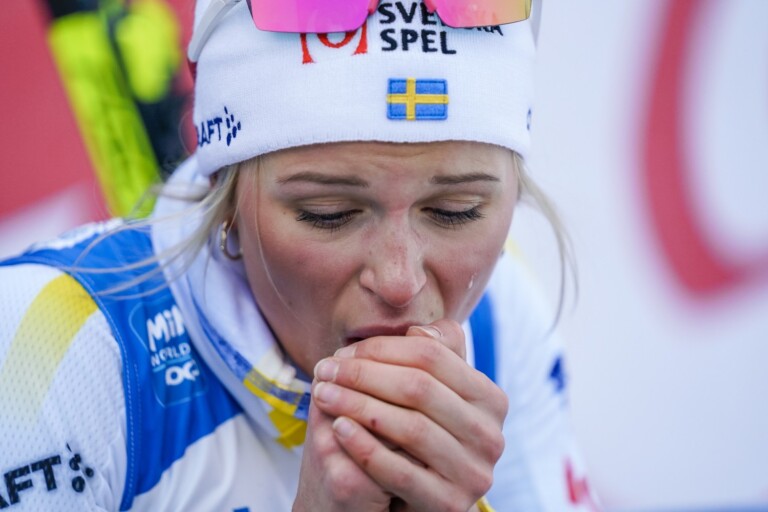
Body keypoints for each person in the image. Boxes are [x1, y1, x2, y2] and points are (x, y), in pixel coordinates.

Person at [0, 0, 598, 510]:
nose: (399, 280)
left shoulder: (498, 315)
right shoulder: (50, 346)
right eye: (328, 214)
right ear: (225, 193)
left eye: (456, 211)